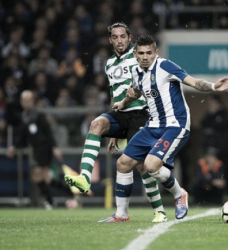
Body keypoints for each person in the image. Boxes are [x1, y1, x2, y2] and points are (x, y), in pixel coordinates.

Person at [99, 35, 228, 222]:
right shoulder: (136, 72)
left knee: (151, 166)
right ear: (135, 54)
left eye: (149, 52)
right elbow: (137, 91)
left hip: (175, 125)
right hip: (153, 125)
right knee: (123, 164)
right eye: (141, 53)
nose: (145, 56)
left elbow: (194, 82)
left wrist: (213, 86)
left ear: (156, 52)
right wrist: (124, 102)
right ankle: (121, 215)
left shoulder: (165, 66)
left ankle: (180, 194)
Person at [64, 22, 167, 223]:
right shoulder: (109, 63)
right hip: (122, 114)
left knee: (142, 166)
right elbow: (115, 94)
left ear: (129, 37)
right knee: (96, 124)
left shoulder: (139, 56)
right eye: (115, 37)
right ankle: (85, 178)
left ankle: (159, 210)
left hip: (141, 114)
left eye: (122, 36)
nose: (119, 40)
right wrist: (113, 132)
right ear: (110, 40)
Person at [6, 90, 63, 209]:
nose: (26, 103)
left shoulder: (39, 116)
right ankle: (68, 194)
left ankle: (50, 202)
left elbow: (48, 133)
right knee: (46, 179)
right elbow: (22, 137)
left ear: (33, 101)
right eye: (24, 101)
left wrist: (54, 147)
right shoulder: (24, 117)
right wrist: (14, 147)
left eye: (28, 100)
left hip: (44, 148)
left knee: (37, 176)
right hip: (37, 150)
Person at [201, 94, 228, 195]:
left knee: (225, 168)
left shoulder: (225, 113)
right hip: (210, 147)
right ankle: (211, 192)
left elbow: (224, 126)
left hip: (222, 147)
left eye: (212, 102)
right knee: (210, 170)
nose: (210, 104)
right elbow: (203, 124)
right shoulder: (207, 114)